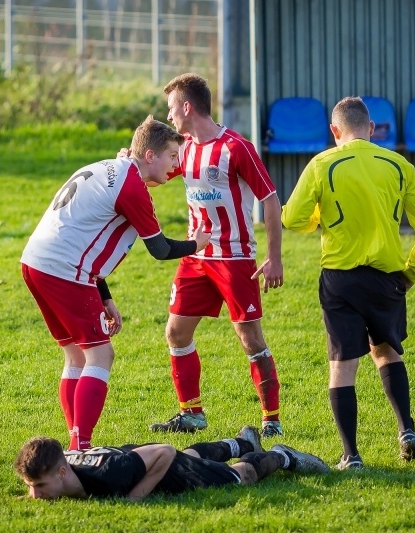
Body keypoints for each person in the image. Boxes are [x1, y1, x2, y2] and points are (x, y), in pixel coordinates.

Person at [20, 115, 211, 451]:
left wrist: (105, 298)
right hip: (64, 269)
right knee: (100, 355)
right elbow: (161, 249)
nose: (175, 164)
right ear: (149, 156)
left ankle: (76, 441)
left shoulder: (114, 166)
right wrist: (197, 243)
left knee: (76, 356)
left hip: (36, 261)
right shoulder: (131, 187)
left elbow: (88, 238)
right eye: (171, 156)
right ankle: (81, 446)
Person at [281, 97, 415, 470]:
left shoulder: (322, 164)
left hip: (340, 279)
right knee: (386, 351)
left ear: (334, 131)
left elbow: (293, 219)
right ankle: (406, 431)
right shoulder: (398, 164)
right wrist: (411, 271)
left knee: (342, 366)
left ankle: (351, 455)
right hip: (388, 279)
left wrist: (320, 216)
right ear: (371, 130)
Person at [148, 73, 286, 438]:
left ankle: (271, 420)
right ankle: (191, 413)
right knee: (176, 333)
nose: (169, 115)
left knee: (250, 339)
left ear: (188, 107)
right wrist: (127, 165)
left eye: (171, 107)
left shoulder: (236, 148)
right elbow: (156, 173)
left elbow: (270, 200)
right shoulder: (186, 147)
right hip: (196, 257)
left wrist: (274, 257)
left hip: (236, 259)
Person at [14, 426, 329, 500]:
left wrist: (135, 498)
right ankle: (242, 441)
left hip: (154, 461)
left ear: (61, 471)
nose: (35, 495)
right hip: (138, 456)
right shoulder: (61, 462)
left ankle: (283, 456)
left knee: (238, 477)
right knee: (188, 457)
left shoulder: (110, 476)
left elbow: (163, 451)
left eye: (39, 486)